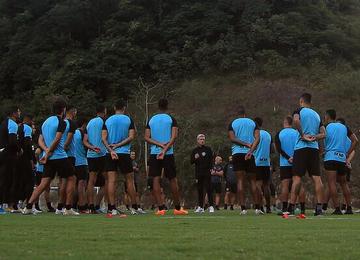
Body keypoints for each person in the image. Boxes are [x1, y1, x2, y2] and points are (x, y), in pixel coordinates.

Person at [23, 97, 78, 215]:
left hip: (50, 157)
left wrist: (46, 150)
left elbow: (40, 140)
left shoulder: (45, 122)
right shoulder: (62, 122)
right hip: (60, 156)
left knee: (43, 184)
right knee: (72, 178)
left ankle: (28, 206)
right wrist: (48, 152)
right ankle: (68, 208)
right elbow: (58, 139)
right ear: (63, 110)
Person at [145, 98, 188, 216]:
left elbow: (147, 137)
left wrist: (158, 145)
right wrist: (164, 149)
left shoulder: (151, 119)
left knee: (155, 179)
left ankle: (160, 209)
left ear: (158, 107)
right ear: (167, 106)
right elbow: (174, 137)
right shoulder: (171, 119)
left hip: (154, 153)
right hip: (168, 154)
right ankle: (178, 208)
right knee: (172, 179)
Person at [285, 93, 326, 217]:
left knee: (297, 178)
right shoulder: (317, 115)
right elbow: (324, 134)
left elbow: (296, 120)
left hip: (301, 148)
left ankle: (291, 208)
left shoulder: (299, 110)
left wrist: (303, 135)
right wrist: (314, 138)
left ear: (301, 101)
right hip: (313, 149)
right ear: (310, 102)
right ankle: (319, 209)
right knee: (317, 178)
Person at [102, 100, 143, 215]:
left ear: (114, 107)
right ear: (124, 108)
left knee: (111, 181)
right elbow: (131, 137)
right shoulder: (128, 119)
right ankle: (134, 207)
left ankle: (112, 208)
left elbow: (103, 138)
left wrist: (111, 150)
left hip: (110, 154)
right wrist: (118, 145)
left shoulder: (108, 120)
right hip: (124, 153)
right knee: (129, 180)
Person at [323, 110, 357, 215]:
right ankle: (349, 208)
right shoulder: (344, 127)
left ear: (327, 117)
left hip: (330, 157)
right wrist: (347, 153)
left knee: (331, 183)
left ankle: (337, 208)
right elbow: (355, 140)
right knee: (343, 183)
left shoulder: (326, 127)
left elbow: (322, 140)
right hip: (342, 158)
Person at [228, 106, 260, 215]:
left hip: (237, 153)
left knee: (240, 181)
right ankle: (257, 208)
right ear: (245, 114)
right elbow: (257, 138)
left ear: (237, 114)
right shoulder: (252, 123)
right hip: (249, 154)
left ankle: (243, 209)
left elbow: (232, 138)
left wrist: (244, 144)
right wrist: (250, 150)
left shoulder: (233, 123)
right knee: (253, 181)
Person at [275, 116, 306, 214]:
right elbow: (301, 146)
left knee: (285, 185)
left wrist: (288, 157)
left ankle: (284, 209)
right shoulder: (297, 132)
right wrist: (294, 157)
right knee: (299, 185)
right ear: (292, 123)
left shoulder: (279, 134)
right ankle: (302, 209)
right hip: (297, 162)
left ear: (285, 122)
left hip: (285, 163)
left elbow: (279, 149)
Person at [83, 104, 107, 214]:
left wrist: (92, 147)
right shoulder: (104, 122)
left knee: (91, 181)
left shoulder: (90, 123)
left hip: (91, 154)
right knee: (108, 180)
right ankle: (97, 205)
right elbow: (106, 137)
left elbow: (85, 141)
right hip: (102, 154)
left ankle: (91, 206)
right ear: (104, 111)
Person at [0, 106, 21, 214]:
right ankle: (7, 204)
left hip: (2, 153)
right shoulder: (12, 124)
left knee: (3, 178)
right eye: (18, 111)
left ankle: (3, 204)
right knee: (9, 179)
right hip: (9, 154)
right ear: (14, 113)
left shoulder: (3, 123)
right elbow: (12, 141)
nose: (19, 113)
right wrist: (19, 149)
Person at [253, 117, 272, 214]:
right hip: (266, 163)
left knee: (258, 185)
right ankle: (268, 207)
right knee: (266, 185)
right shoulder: (268, 134)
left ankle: (259, 207)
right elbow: (271, 149)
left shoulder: (254, 134)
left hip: (256, 162)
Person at [190, 134, 214, 213]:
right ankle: (200, 207)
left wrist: (211, 169)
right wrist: (195, 158)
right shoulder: (195, 151)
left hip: (207, 172)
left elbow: (211, 160)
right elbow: (191, 161)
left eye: (203, 139)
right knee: (200, 190)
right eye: (200, 139)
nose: (202, 140)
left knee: (209, 189)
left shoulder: (208, 149)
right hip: (198, 173)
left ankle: (211, 206)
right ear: (197, 140)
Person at [73, 117, 89, 213]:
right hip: (82, 161)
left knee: (74, 184)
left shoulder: (73, 133)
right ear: (83, 124)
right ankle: (82, 206)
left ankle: (73, 205)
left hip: (73, 161)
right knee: (81, 184)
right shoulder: (82, 133)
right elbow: (86, 145)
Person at [33, 147, 55, 213]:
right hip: (41, 170)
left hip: (45, 170)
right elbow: (36, 153)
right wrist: (39, 161)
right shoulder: (42, 147)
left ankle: (48, 206)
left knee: (47, 188)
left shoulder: (47, 146)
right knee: (39, 187)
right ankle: (36, 206)